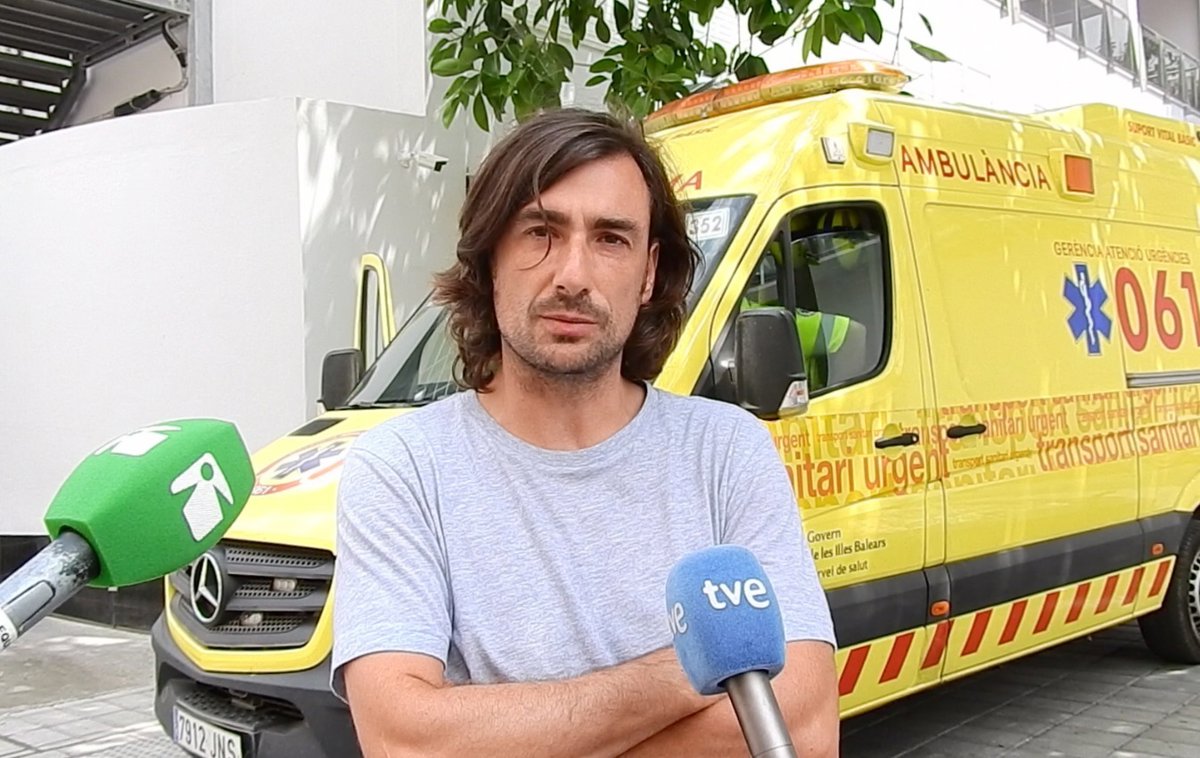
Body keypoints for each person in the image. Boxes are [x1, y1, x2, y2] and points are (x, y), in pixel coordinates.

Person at [330, 107, 839, 757]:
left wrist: (522, 736)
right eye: (541, 232)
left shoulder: (726, 451)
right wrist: (694, 667)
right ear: (490, 259)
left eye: (610, 239)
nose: (572, 275)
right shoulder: (402, 467)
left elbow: (804, 730)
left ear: (648, 272)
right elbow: (405, 741)